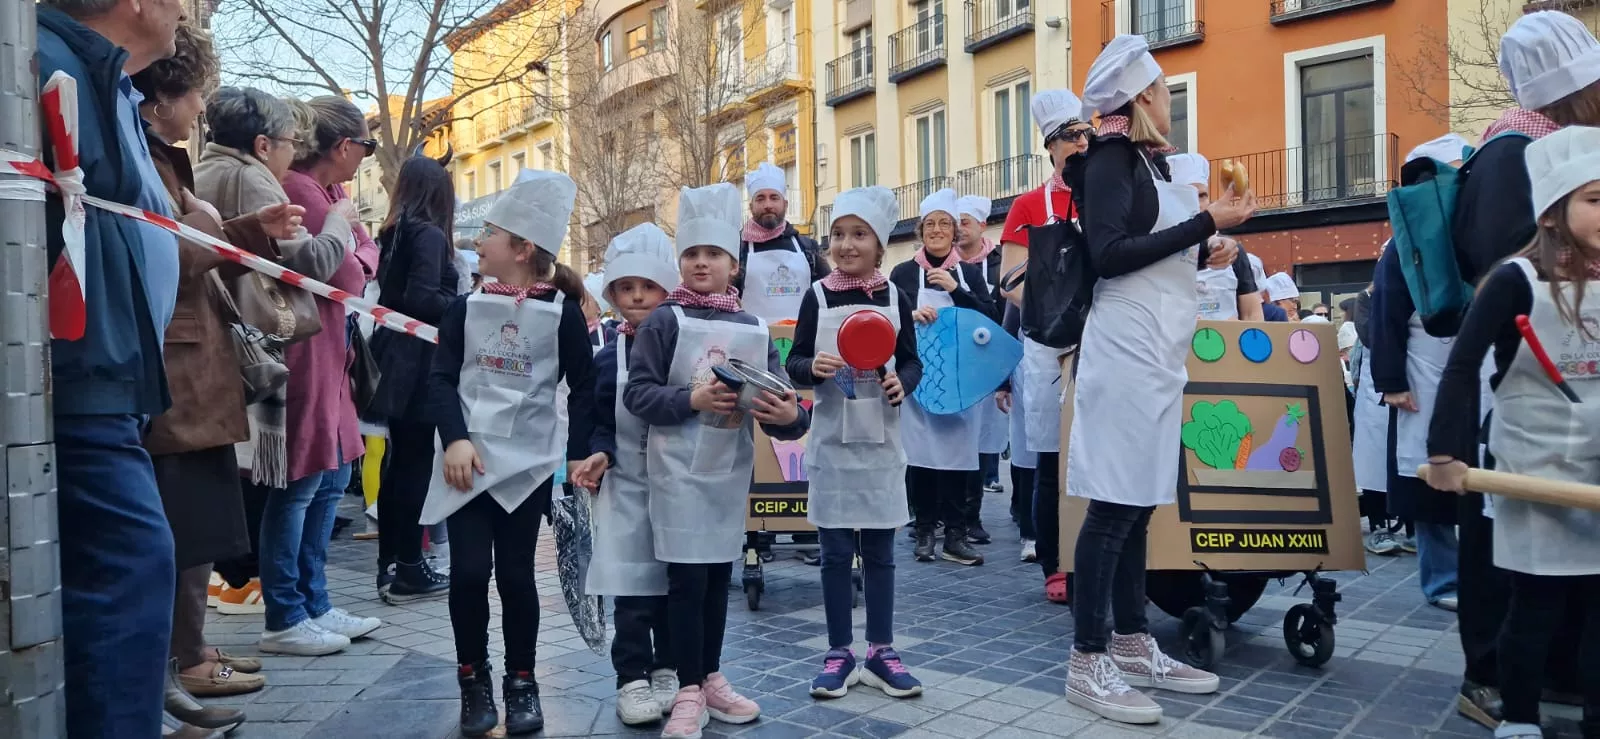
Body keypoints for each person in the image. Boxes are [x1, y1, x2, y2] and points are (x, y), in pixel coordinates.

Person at [1065, 34, 1255, 723]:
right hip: (1125, 350)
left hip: (1153, 351)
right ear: (1143, 98)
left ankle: (1133, 638)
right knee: (1114, 506)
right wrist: (1208, 219)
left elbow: (1147, 249)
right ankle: (1088, 660)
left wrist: (1206, 248)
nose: (1171, 99)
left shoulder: (1142, 163)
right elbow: (1110, 255)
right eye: (1164, 90)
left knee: (1139, 500)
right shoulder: (1113, 159)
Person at [1432, 11, 1600, 725]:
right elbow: (1507, 274)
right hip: (1526, 396)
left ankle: (1556, 677)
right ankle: (1493, 680)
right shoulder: (1509, 158)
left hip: (1572, 402)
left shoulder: (1547, 155)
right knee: (1511, 560)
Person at [132, 25, 294, 731]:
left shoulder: (165, 155)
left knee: (193, 529)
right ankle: (174, 664)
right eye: (193, 92)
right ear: (166, 92)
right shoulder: (146, 152)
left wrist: (238, 226)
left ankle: (180, 662)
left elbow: (192, 237)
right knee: (179, 531)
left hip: (192, 365)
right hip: (180, 367)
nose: (199, 107)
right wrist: (226, 230)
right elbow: (170, 251)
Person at [35, 0, 183, 732]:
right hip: (79, 376)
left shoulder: (103, 78)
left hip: (109, 375)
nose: (186, 11)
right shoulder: (50, 63)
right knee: (130, 565)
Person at [623, 183, 810, 739]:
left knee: (715, 581)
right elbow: (639, 395)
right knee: (684, 582)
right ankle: (686, 688)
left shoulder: (752, 328)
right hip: (677, 472)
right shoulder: (663, 321)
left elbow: (787, 408)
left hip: (729, 473)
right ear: (681, 262)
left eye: (713, 255)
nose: (701, 263)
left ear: (734, 264)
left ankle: (709, 678)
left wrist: (785, 415)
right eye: (692, 254)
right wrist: (691, 400)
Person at [425, 171, 595, 737]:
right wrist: (454, 437)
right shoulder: (463, 309)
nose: (478, 241)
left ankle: (523, 681)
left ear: (521, 249)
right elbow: (442, 379)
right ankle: (472, 679)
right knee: (470, 573)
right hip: (466, 464)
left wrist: (576, 457)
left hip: (526, 469)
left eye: (491, 233)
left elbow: (585, 386)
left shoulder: (562, 314)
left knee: (517, 577)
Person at [248, 95, 381, 655]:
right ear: (344, 146)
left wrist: (351, 242)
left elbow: (366, 256)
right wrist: (347, 240)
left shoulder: (333, 194)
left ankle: (314, 601)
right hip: (302, 354)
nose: (366, 158)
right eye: (367, 147)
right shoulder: (302, 190)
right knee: (301, 484)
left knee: (328, 480)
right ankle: (286, 612)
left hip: (331, 354)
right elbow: (345, 275)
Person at [787, 186, 925, 701]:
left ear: (879, 245)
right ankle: (839, 652)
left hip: (883, 443)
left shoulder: (896, 297)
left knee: (883, 551)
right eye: (838, 234)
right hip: (832, 443)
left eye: (859, 234)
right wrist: (811, 367)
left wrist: (902, 383)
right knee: (835, 551)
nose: (846, 244)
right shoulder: (817, 295)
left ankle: (882, 652)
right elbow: (795, 360)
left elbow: (911, 361)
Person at [1369, 136, 1484, 615]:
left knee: (1479, 472)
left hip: (1474, 363)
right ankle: (1441, 580)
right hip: (1424, 366)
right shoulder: (1405, 241)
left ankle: (1480, 575)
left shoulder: (1480, 229)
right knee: (1428, 474)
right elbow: (1386, 311)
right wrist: (1392, 379)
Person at [572, 224, 682, 727]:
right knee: (633, 589)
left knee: (673, 584)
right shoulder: (605, 356)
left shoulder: (683, 346)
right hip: (627, 488)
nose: (637, 297)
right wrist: (599, 455)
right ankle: (632, 677)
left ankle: (668, 666)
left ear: (666, 290)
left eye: (648, 287)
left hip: (679, 485)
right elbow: (598, 420)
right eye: (626, 288)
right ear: (612, 295)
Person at [1000, 89, 1093, 601]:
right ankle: (1054, 562)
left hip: (1100, 338)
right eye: (1072, 136)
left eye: (1086, 133)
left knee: (1098, 450)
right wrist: (1054, 310)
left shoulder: (1102, 192)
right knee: (1051, 458)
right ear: (1051, 147)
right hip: (1045, 346)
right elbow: (1010, 279)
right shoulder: (1029, 205)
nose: (1083, 142)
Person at [367, 156, 459, 602]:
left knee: (399, 463)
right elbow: (424, 297)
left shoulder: (396, 232)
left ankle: (395, 564)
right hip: (419, 357)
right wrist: (463, 307)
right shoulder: (429, 234)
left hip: (397, 353)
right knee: (413, 466)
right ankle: (407, 567)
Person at [889, 188, 995, 567]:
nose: (936, 230)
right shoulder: (902, 273)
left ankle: (955, 534)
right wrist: (910, 316)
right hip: (918, 378)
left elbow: (990, 318)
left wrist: (957, 292)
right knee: (920, 457)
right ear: (920, 230)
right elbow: (886, 320)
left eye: (944, 224)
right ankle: (924, 531)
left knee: (958, 457)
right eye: (930, 224)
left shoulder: (967, 274)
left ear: (955, 232)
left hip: (959, 378)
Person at [957, 194, 1007, 539]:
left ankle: (970, 518)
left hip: (988, 362)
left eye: (964, 222)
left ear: (981, 226)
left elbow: (1003, 314)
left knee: (981, 443)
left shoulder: (1001, 262)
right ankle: (932, 518)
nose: (958, 230)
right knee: (945, 444)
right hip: (949, 363)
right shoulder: (930, 266)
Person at [1166, 153, 1262, 321]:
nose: (1197, 203)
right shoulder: (1156, 250)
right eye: (1188, 195)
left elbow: (1252, 313)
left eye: (1202, 196)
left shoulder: (1232, 251)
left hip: (1228, 345)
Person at [735, 162, 829, 322]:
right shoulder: (737, 249)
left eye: (774, 198)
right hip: (754, 342)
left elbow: (827, 293)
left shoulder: (809, 249)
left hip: (802, 342)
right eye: (760, 199)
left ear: (785, 204)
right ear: (751, 206)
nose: (768, 205)